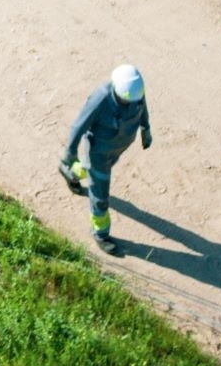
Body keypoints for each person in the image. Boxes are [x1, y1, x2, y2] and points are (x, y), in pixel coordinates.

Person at [60, 62, 153, 254]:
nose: (130, 104)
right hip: (99, 152)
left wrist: (146, 128)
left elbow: (142, 107)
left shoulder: (134, 94)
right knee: (100, 194)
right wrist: (70, 152)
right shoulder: (101, 99)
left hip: (116, 150)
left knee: (88, 170)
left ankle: (71, 173)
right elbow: (79, 125)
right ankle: (100, 233)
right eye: (125, 101)